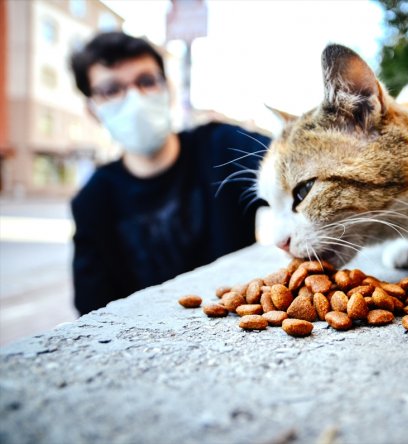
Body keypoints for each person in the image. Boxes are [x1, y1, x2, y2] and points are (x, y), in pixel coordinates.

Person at [69, 32, 271, 315]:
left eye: (146, 81)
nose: (134, 98)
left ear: (168, 88)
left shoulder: (223, 147)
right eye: (111, 89)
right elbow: (92, 312)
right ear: (92, 109)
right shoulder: (93, 201)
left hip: (240, 322)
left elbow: (295, 163)